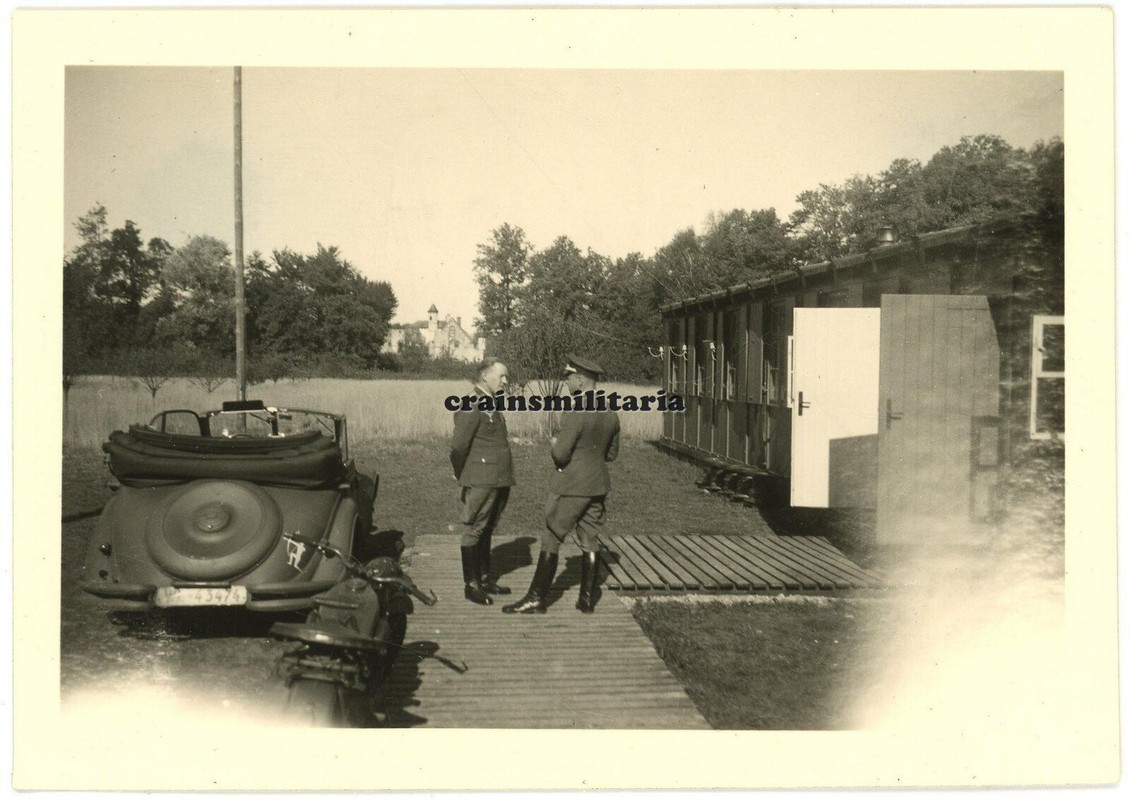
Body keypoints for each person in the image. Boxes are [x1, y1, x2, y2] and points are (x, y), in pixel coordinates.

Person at [503, 354, 620, 615]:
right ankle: (587, 600)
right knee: (590, 539)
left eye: (569, 378)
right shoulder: (611, 412)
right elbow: (611, 454)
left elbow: (561, 454)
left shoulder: (576, 410)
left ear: (580, 380)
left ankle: (536, 598)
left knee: (552, 536)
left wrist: (556, 445)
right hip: (598, 485)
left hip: (572, 486)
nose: (567, 383)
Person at [450, 359, 514, 605]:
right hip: (481, 478)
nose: (506, 382)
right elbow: (458, 447)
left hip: (497, 478)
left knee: (486, 527)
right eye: (502, 377)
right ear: (485, 377)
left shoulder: (491, 402)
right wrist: (462, 473)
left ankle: (485, 580)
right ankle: (471, 585)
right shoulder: (471, 403)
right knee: (474, 528)